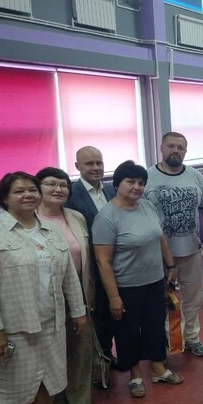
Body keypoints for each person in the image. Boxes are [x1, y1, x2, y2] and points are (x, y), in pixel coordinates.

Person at [0, 172, 88, 404]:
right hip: (14, 329)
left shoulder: (50, 231)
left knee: (47, 382)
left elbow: (69, 275)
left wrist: (78, 311)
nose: (28, 195)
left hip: (51, 324)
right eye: (19, 191)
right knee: (6, 393)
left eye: (32, 190)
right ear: (4, 199)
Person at [92, 161, 183, 398]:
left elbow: (161, 238)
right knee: (128, 331)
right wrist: (114, 297)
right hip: (126, 286)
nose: (137, 187)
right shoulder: (107, 217)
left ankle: (158, 368)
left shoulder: (147, 206)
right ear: (116, 184)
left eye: (141, 183)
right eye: (130, 181)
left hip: (154, 281)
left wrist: (170, 265)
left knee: (155, 325)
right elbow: (103, 261)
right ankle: (134, 374)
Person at [36, 167, 102, 404]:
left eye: (63, 185)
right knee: (50, 351)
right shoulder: (28, 220)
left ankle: (79, 398)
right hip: (44, 296)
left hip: (78, 290)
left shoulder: (76, 217)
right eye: (50, 184)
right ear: (38, 188)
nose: (58, 189)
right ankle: (55, 402)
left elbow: (87, 257)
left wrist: (90, 289)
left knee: (80, 348)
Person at [145, 132, 203, 358]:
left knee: (193, 300)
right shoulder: (147, 177)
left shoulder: (195, 176)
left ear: (185, 151)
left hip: (191, 250)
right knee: (163, 301)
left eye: (180, 147)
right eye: (171, 146)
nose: (175, 150)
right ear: (161, 147)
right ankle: (166, 343)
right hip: (158, 254)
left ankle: (192, 338)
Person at [65, 146, 118, 368]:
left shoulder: (112, 190)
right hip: (90, 266)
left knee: (115, 312)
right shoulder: (70, 195)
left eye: (99, 163)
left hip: (117, 262)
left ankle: (111, 353)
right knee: (98, 314)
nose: (96, 168)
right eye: (89, 164)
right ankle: (99, 358)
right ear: (77, 166)